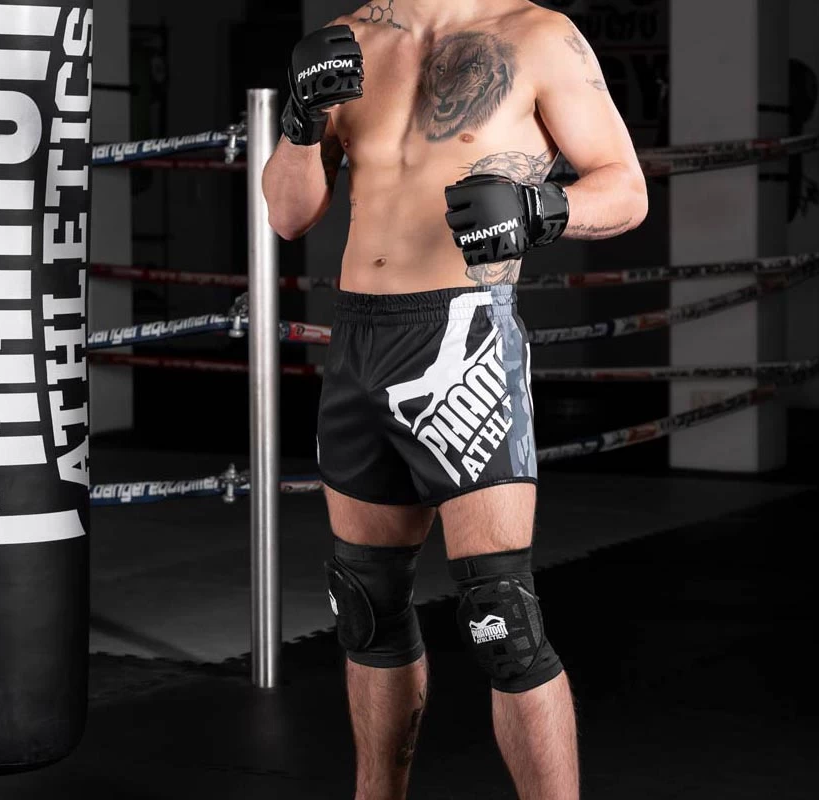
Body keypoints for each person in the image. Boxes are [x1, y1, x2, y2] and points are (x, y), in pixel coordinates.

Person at [262, 2, 647, 797]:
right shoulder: (348, 40)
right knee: (366, 608)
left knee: (503, 618)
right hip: (358, 340)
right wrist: (301, 123)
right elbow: (289, 215)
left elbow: (626, 187)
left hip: (464, 336)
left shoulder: (537, 35)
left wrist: (544, 209)